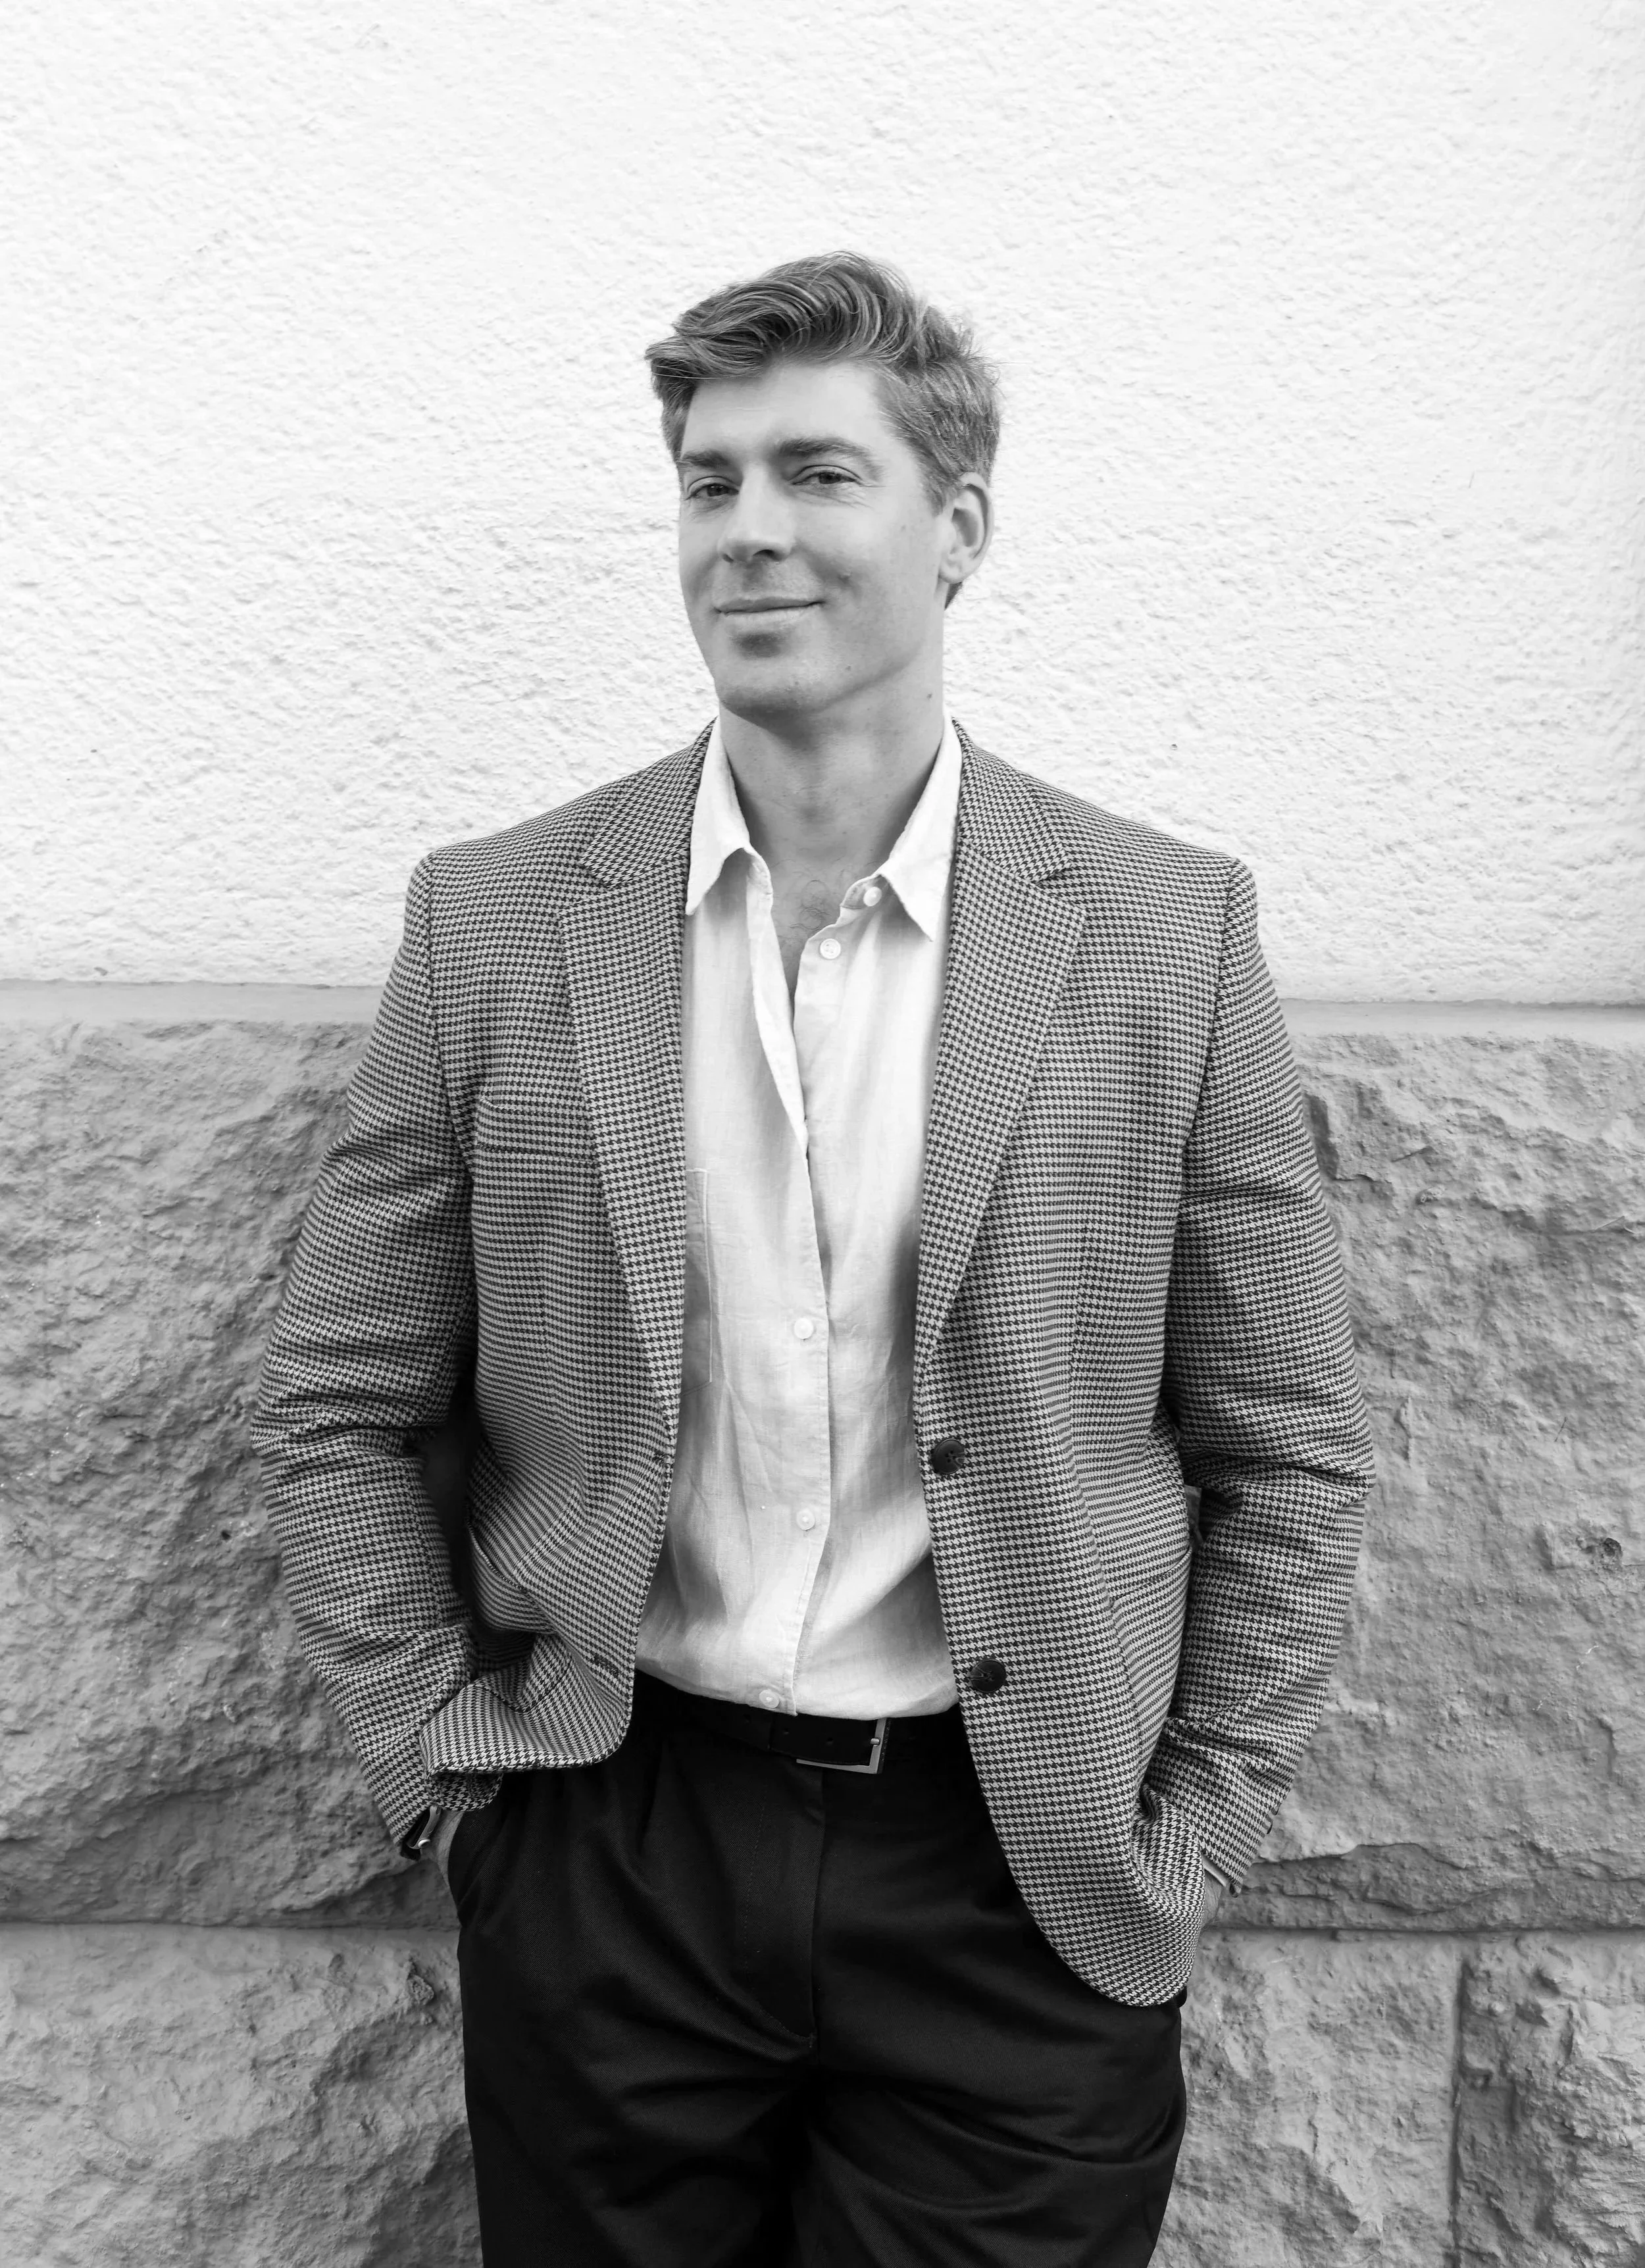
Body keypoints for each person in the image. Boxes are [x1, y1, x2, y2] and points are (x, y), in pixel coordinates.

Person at [253, 251, 1374, 2267]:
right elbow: (338, 1393)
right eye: (708, 481)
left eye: (815, 472)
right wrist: (454, 1757)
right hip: (618, 1842)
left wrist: (1184, 1830)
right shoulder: (501, 918)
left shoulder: (1158, 926)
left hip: (1014, 1865)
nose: (748, 528)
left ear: (955, 528)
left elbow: (1286, 1438)